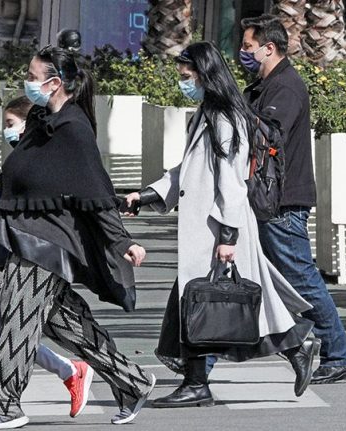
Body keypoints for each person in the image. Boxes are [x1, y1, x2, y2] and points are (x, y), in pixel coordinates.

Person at [0, 45, 155, 430]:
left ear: (54, 83)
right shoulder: (40, 121)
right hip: (26, 235)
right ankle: (131, 382)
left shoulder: (73, 129)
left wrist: (123, 242)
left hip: (48, 242)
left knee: (18, 320)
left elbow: (95, 191)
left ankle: (1, 405)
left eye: (32, 77)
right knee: (61, 323)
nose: (26, 82)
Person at [124, 41, 319, 408]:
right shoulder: (207, 114)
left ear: (205, 75)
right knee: (208, 303)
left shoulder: (225, 118)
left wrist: (228, 235)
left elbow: (232, 180)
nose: (183, 82)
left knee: (200, 303)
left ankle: (199, 383)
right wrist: (147, 195)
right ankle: (294, 345)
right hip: (208, 228)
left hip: (217, 228)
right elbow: (187, 170)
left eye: (187, 76)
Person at [0, 96, 94, 420]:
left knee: (10, 334)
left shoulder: (43, 162)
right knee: (19, 332)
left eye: (10, 124)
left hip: (36, 263)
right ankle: (83, 374)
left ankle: (58, 379)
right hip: (23, 264)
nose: (7, 132)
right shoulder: (22, 164)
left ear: (28, 124)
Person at [239, 14, 346, 384]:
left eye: (247, 46)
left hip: (282, 202)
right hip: (267, 200)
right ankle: (200, 362)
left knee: (302, 280)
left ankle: (337, 355)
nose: (243, 52)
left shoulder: (285, 88)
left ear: (268, 48)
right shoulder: (265, 86)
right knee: (254, 279)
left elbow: (268, 134)